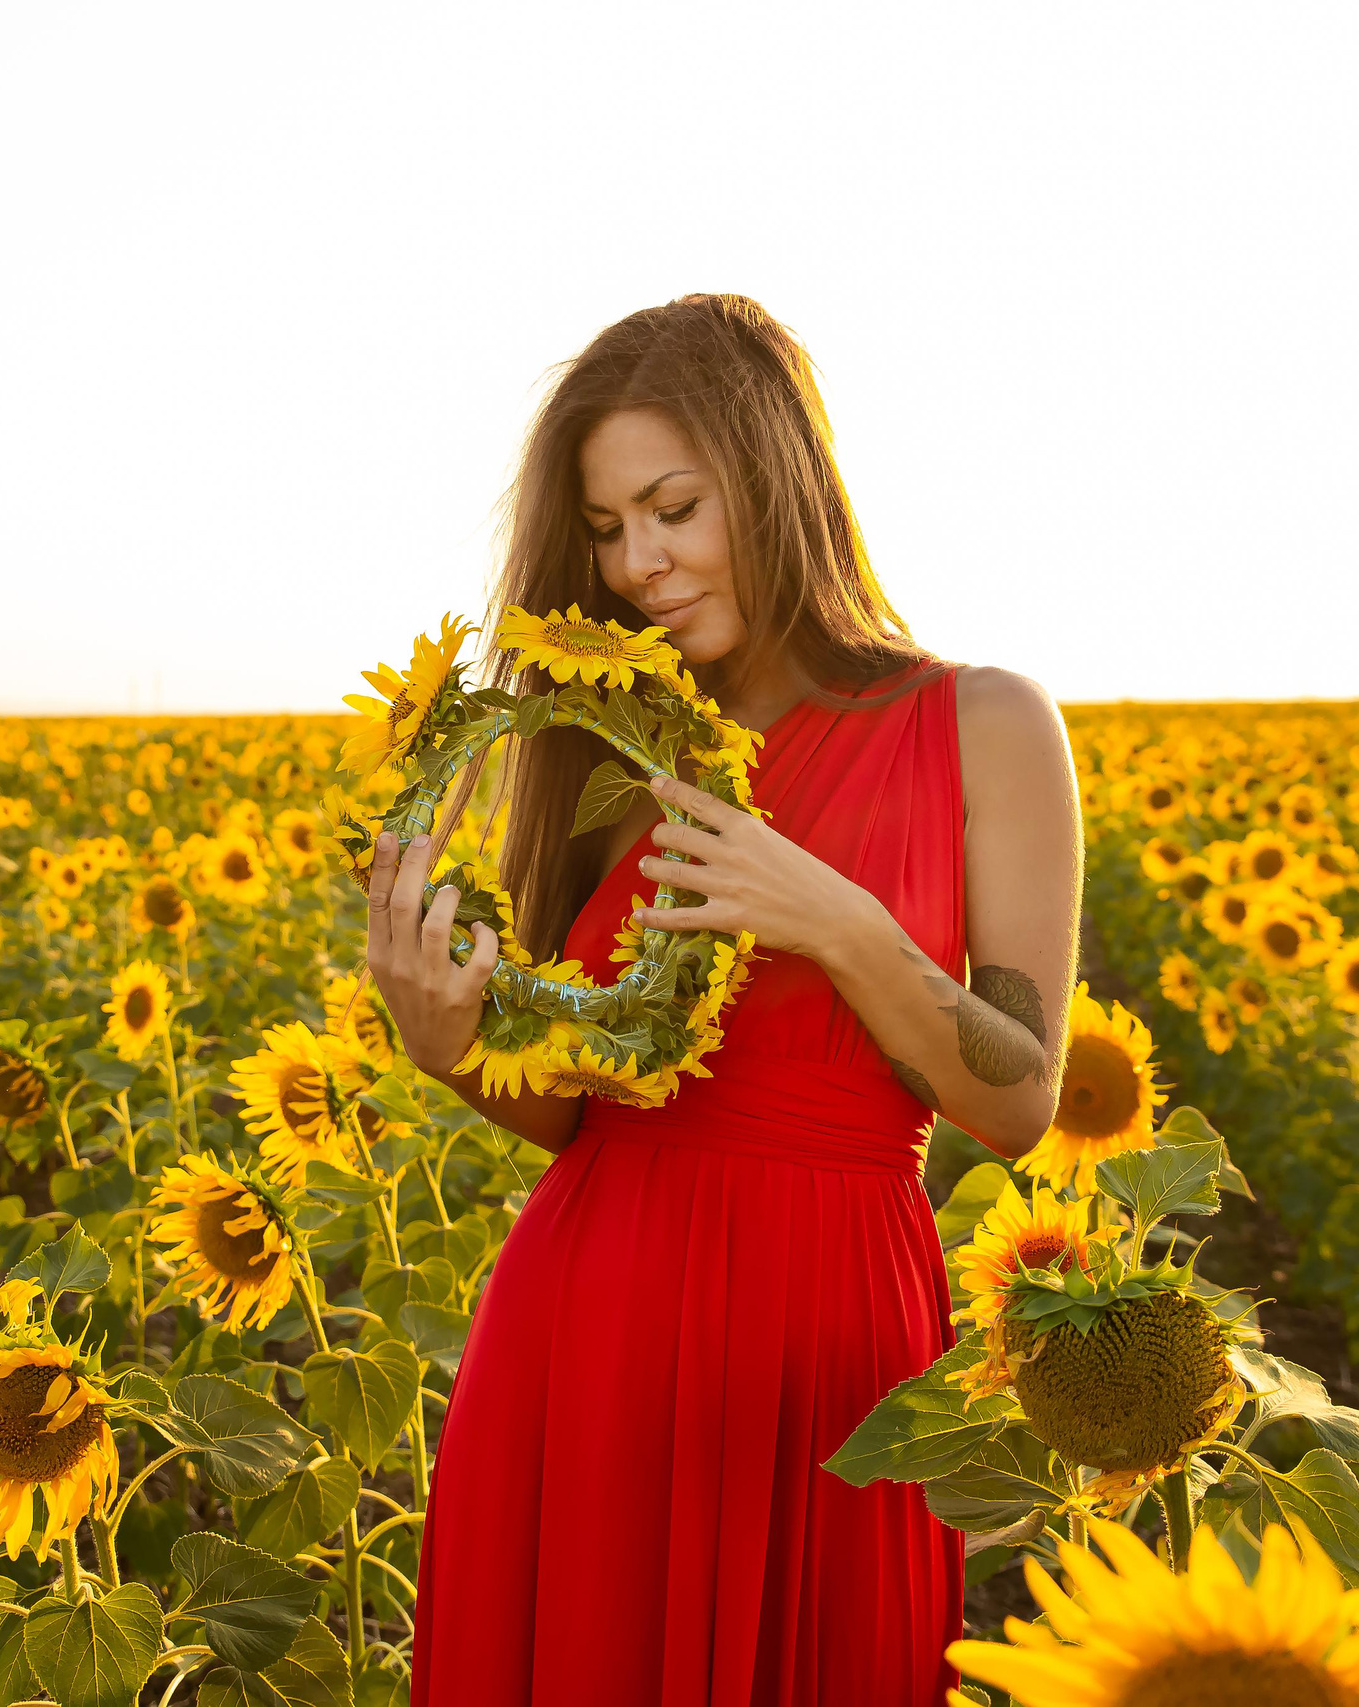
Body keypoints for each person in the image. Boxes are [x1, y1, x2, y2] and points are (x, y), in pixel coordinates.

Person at [380, 294, 1083, 1706]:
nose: (636, 563)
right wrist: (446, 1045)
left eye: (672, 508)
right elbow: (582, 1119)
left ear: (775, 478)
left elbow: (1016, 1099)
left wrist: (838, 924)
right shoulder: (606, 750)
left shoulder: (985, 725)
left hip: (834, 1356)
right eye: (602, 527)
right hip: (590, 1333)